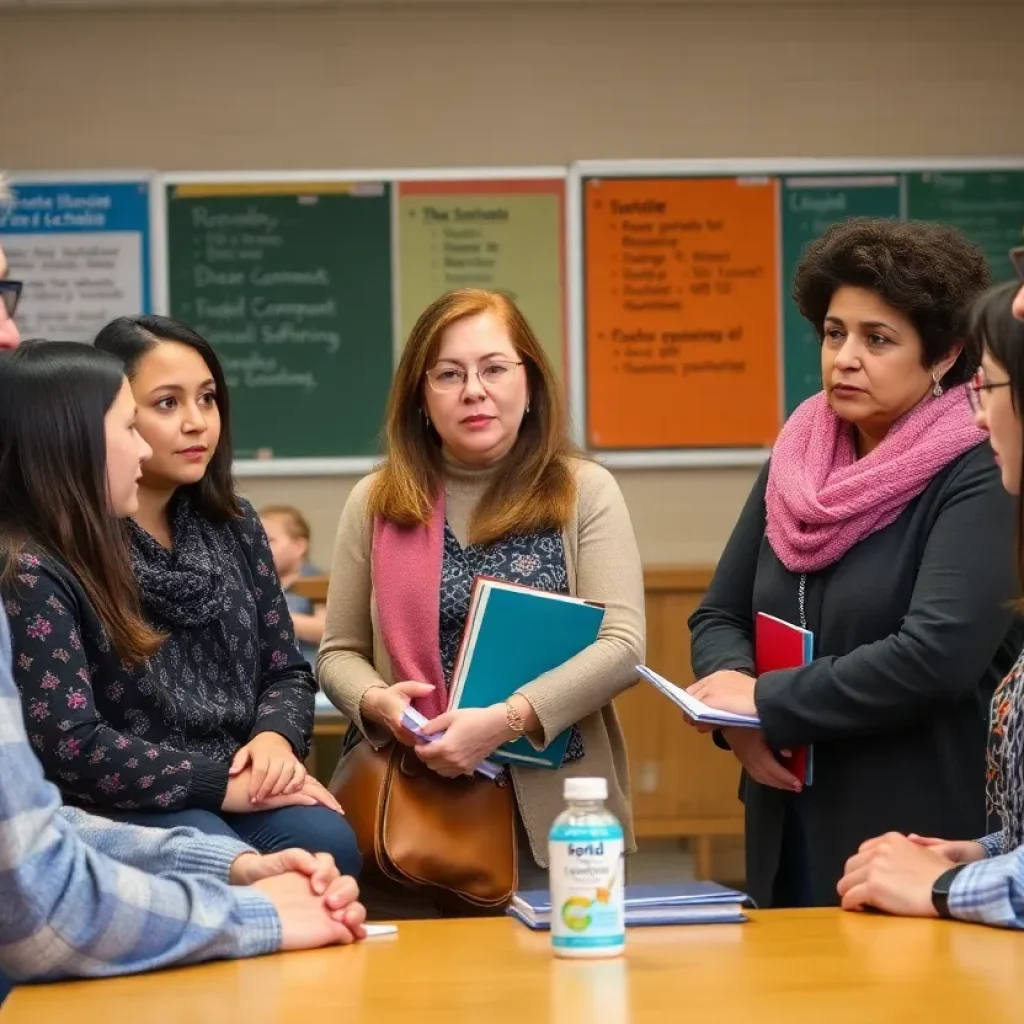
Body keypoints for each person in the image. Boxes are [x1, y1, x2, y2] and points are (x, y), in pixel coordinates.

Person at [0, 342, 367, 997]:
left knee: (322, 843)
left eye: (207, 399)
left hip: (239, 775)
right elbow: (70, 745)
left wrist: (274, 744)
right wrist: (225, 794)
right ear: (74, 438)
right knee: (221, 855)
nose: (192, 424)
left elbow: (285, 668)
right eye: (153, 411)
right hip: (134, 792)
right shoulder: (41, 565)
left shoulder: (233, 524)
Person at [685, 219, 1024, 909]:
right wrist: (740, 715)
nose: (844, 357)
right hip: (785, 801)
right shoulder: (802, 448)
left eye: (878, 339)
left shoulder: (984, 461)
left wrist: (766, 705)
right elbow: (719, 613)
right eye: (834, 333)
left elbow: (936, 655)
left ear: (943, 354)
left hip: (912, 822)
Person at [318, 287, 645, 917]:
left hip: (557, 818)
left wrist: (507, 719)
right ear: (421, 395)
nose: (474, 389)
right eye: (449, 374)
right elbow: (339, 653)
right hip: (411, 815)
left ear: (530, 383)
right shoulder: (376, 500)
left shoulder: (585, 491)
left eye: (494, 368)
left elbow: (623, 645)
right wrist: (378, 704)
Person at [838, 278, 1024, 928]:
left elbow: (935, 652)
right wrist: (979, 851)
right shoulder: (798, 453)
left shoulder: (967, 479)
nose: (977, 414)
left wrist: (949, 885)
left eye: (990, 389)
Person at [259, 505, 326, 668]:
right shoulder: (257, 585)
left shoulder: (316, 583)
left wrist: (275, 618)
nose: (260, 548)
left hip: (306, 674)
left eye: (269, 540)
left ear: (299, 547)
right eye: (256, 541)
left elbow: (326, 630)